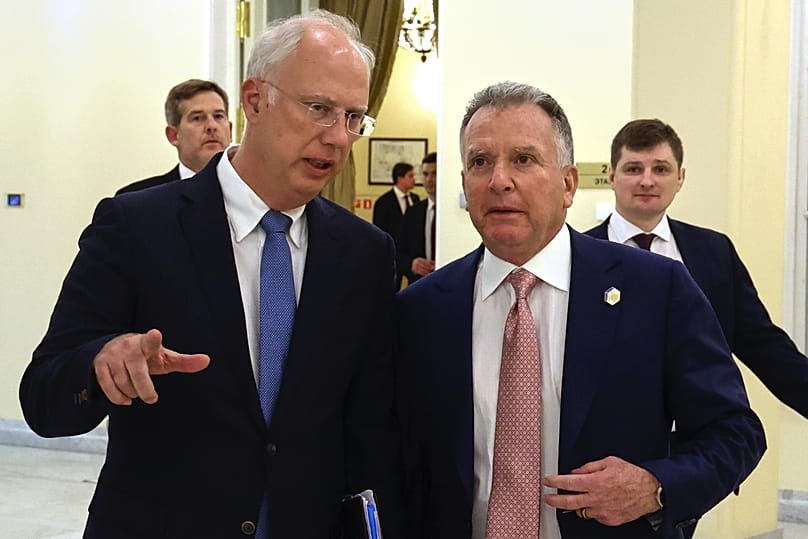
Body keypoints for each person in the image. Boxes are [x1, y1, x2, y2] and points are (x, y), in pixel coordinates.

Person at [20, 10, 404, 539]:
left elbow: (370, 431)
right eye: (319, 108)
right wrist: (101, 367)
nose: (338, 137)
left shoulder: (364, 254)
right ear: (254, 99)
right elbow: (43, 397)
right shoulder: (137, 225)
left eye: (354, 117)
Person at [395, 82, 765, 539]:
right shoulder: (421, 311)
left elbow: (735, 432)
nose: (499, 180)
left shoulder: (656, 290)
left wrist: (656, 486)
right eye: (480, 162)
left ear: (568, 184)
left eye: (524, 160)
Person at [586, 118, 808, 537]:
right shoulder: (579, 256)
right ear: (612, 176)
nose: (647, 180)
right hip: (606, 461)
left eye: (661, 168)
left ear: (680, 178)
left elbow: (763, 345)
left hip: (690, 459)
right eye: (634, 168)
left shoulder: (713, 253)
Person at [116, 78, 232, 194]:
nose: (211, 126)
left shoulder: (247, 190)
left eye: (218, 116)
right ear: (173, 135)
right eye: (197, 118)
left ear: (230, 130)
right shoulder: (134, 201)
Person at [396, 152, 437, 285]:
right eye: (425, 174)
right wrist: (412, 264)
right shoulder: (413, 212)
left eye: (435, 173)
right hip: (419, 284)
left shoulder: (456, 213)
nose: (429, 180)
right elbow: (398, 252)